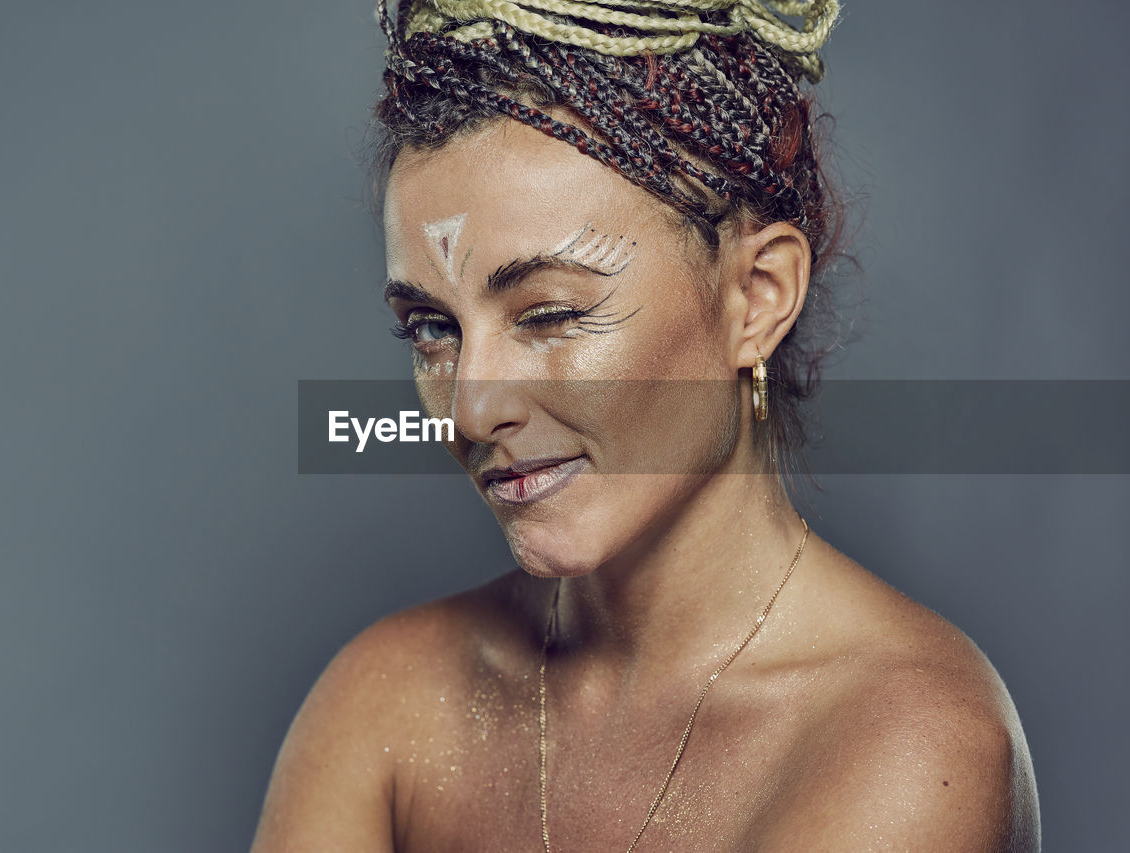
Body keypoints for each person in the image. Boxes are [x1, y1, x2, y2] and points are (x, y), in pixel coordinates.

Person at [252, 1, 1041, 849]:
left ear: (756, 296)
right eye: (432, 330)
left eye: (549, 314)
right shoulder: (386, 702)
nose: (472, 410)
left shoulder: (909, 738)